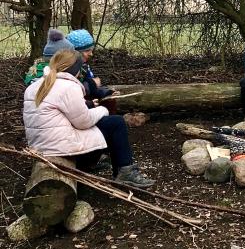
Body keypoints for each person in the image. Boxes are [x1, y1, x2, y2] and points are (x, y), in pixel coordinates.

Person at [23, 49, 154, 187]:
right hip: (59, 148)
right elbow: (83, 122)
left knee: (104, 124)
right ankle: (125, 171)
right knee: (116, 122)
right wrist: (103, 110)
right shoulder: (68, 86)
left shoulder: (35, 86)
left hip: (40, 145)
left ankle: (96, 162)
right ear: (75, 69)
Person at [66, 29, 118, 114]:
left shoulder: (84, 66)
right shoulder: (68, 68)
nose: (91, 54)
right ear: (75, 52)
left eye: (91, 50)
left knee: (110, 100)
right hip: (76, 107)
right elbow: (74, 91)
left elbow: (94, 86)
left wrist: (108, 92)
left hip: (87, 101)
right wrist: (92, 83)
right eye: (87, 51)